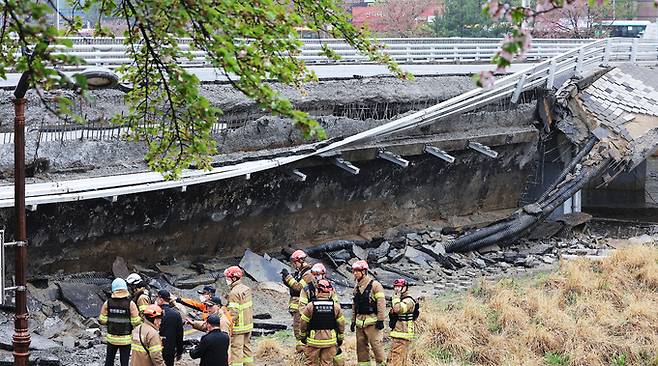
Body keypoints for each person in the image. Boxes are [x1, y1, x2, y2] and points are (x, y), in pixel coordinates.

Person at [299, 280, 345, 366]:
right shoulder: (336, 307)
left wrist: (303, 336)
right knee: (327, 363)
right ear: (329, 292)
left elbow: (303, 323)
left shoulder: (310, 306)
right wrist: (340, 338)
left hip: (313, 341)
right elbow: (341, 325)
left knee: (310, 363)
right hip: (330, 341)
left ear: (317, 291)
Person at [350, 260, 386, 366]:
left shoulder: (375, 285)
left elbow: (381, 304)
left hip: (373, 322)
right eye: (354, 271)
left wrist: (380, 320)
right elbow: (354, 306)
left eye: (358, 271)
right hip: (359, 323)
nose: (355, 273)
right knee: (361, 349)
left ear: (364, 271)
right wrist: (353, 321)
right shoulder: (356, 288)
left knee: (376, 346)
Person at [99, 278, 142, 366]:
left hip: (111, 339)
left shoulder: (108, 303)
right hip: (126, 340)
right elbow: (136, 322)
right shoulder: (131, 304)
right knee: (124, 362)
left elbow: (102, 320)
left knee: (109, 361)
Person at [281, 249, 315, 353]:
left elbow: (298, 288)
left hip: (302, 307)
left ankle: (304, 353)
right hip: (296, 306)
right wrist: (285, 280)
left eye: (295, 263)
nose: (294, 265)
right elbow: (293, 287)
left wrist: (288, 277)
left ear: (300, 261)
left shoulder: (308, 274)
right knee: (297, 330)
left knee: (300, 330)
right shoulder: (300, 273)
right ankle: (302, 351)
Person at [225, 266, 254, 366]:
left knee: (236, 351)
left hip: (238, 327)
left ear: (234, 278)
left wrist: (227, 324)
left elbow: (234, 313)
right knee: (247, 350)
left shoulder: (234, 293)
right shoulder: (246, 289)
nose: (227, 280)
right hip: (248, 325)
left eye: (228, 278)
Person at [387, 279, 418, 366]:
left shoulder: (409, 301)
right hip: (399, 333)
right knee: (401, 360)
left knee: (395, 360)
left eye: (400, 287)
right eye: (396, 287)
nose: (397, 289)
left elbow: (398, 309)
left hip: (402, 334)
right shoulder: (401, 299)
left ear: (405, 288)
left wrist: (396, 297)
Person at [155, 290, 184, 366]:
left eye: (157, 298)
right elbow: (179, 335)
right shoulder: (176, 314)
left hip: (154, 347)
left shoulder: (153, 312)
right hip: (169, 348)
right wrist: (179, 351)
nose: (156, 300)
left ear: (161, 299)